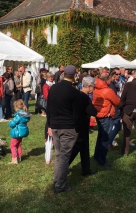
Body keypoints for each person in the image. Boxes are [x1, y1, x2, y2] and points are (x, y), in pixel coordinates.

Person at [46, 65, 81, 194]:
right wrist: (77, 128)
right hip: (68, 127)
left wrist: (49, 124)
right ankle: (59, 185)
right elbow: (77, 113)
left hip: (55, 126)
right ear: (74, 76)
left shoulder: (53, 88)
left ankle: (57, 181)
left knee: (60, 155)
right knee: (64, 157)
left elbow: (48, 108)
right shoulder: (74, 91)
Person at [69, 76, 98, 176]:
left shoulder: (76, 94)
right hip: (82, 125)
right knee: (78, 147)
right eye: (93, 87)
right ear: (89, 86)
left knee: (83, 148)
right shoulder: (85, 98)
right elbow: (92, 111)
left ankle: (86, 169)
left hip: (76, 124)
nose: (94, 89)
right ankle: (64, 165)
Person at [93, 72, 120, 165]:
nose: (111, 80)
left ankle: (97, 156)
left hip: (99, 114)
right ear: (106, 79)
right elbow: (117, 102)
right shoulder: (107, 90)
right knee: (105, 139)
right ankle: (102, 160)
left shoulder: (96, 87)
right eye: (110, 79)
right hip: (106, 116)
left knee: (100, 137)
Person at [8, 99, 31, 164]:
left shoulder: (18, 115)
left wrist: (10, 123)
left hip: (17, 132)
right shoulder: (25, 114)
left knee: (13, 146)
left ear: (16, 107)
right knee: (19, 144)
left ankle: (14, 159)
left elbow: (13, 123)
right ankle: (19, 157)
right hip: (22, 131)